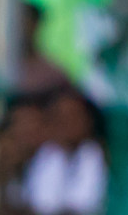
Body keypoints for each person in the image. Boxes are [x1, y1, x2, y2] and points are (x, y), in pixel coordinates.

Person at [23, 85, 107, 215]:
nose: (67, 123)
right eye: (60, 117)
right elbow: (40, 203)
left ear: (87, 120)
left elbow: (84, 204)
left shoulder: (93, 153)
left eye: (73, 116)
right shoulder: (47, 154)